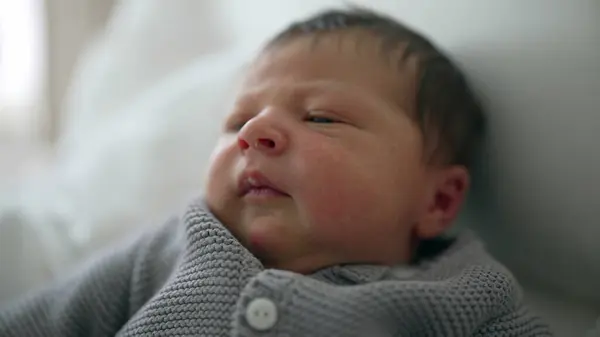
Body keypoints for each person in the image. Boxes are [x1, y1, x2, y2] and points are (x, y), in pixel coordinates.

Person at [0, 6, 553, 337]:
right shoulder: (169, 250)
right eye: (238, 119)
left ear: (436, 201)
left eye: (322, 116)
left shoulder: (466, 293)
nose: (253, 133)